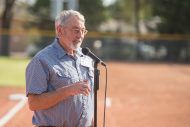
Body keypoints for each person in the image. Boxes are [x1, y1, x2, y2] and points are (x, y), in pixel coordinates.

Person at [26, 10, 94, 127]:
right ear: (60, 30)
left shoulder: (87, 59)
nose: (80, 35)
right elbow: (34, 103)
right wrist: (68, 90)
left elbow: (89, 103)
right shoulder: (41, 60)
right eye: (76, 30)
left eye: (83, 31)